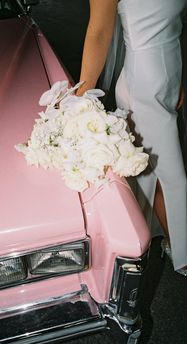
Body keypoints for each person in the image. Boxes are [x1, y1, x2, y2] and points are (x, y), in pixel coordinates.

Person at [77, 0, 187, 275]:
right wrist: (80, 100)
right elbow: (99, 32)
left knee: (153, 170)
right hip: (144, 85)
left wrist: (178, 78)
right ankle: (182, 252)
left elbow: (171, 25)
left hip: (167, 76)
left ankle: (156, 238)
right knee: (173, 176)